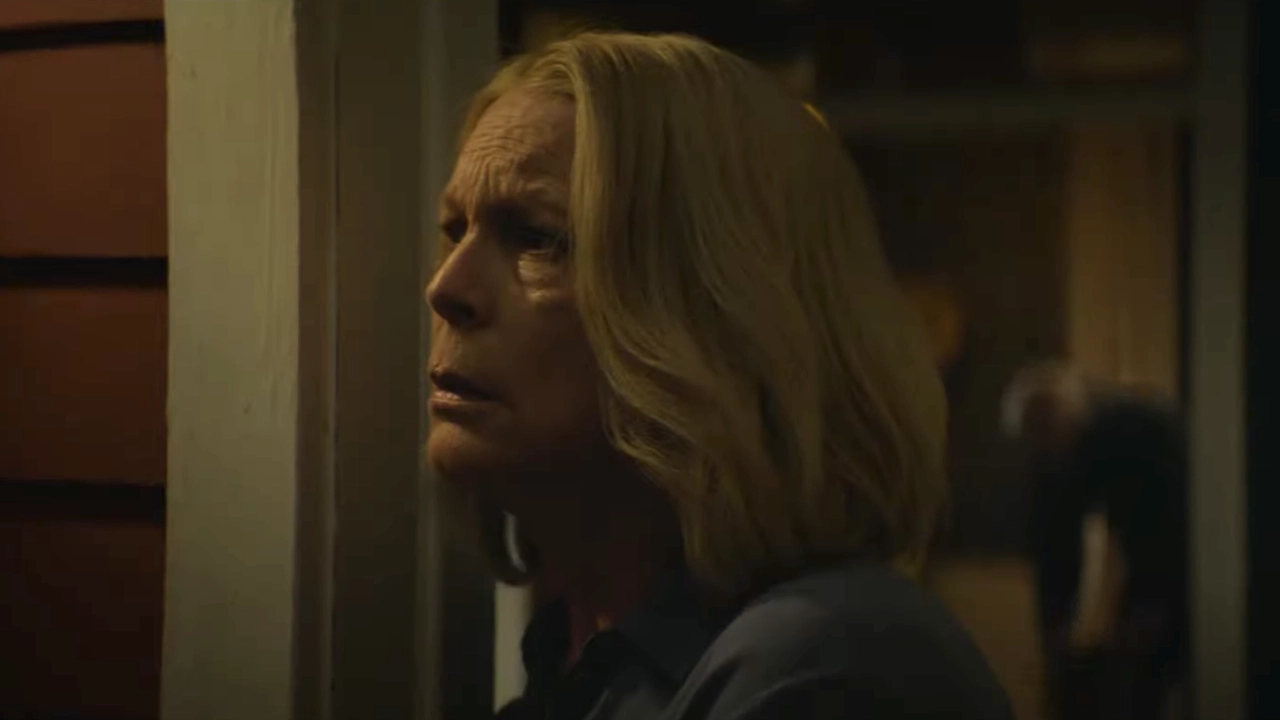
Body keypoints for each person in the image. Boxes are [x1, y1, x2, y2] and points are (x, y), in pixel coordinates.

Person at [426, 31, 1013, 720]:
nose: (446, 287)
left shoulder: (832, 670)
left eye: (535, 236)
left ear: (718, 314)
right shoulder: (587, 662)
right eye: (455, 229)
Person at [1002, 364, 1187, 720]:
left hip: (1190, 553)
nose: (1040, 452)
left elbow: (1165, 528)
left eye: (1042, 435)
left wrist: (1149, 608)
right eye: (1032, 443)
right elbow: (1057, 551)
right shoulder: (1058, 454)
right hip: (1155, 563)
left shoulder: (1134, 428)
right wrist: (1054, 641)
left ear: (1065, 417)